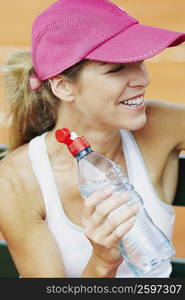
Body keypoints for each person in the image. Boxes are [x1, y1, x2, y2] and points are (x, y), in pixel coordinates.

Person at [0, 0, 185, 278]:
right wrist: (103, 262)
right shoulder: (16, 182)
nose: (143, 79)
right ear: (63, 86)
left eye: (139, 61)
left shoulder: (160, 126)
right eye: (116, 69)